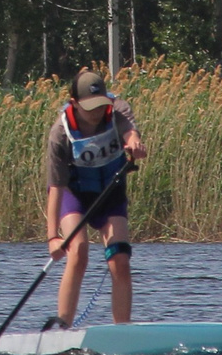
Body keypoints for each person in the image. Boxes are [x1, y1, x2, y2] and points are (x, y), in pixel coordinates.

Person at [45, 67, 146, 328]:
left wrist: (134, 143)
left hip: (110, 194)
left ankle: (122, 331)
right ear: (74, 103)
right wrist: (53, 237)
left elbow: (129, 131)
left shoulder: (118, 110)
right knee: (78, 251)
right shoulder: (60, 133)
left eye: (101, 104)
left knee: (120, 260)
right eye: (89, 106)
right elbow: (55, 188)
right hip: (74, 196)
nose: (97, 112)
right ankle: (63, 328)